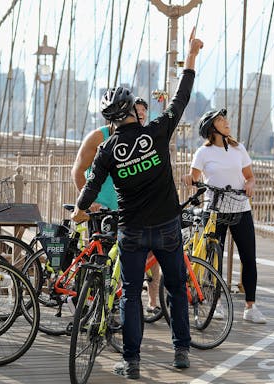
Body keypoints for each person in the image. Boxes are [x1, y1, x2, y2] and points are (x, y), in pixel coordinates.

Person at [71, 28, 203, 379]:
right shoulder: (156, 131)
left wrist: (79, 212)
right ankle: (181, 351)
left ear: (110, 119)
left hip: (131, 231)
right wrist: (190, 55)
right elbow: (181, 98)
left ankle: (131, 361)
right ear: (132, 110)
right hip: (167, 227)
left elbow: (89, 188)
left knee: (130, 294)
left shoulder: (107, 149)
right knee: (176, 287)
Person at [70, 96, 162, 315]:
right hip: (102, 210)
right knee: (101, 260)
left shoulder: (143, 137)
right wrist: (89, 204)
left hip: (131, 211)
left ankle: (151, 301)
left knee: (146, 256)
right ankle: (93, 306)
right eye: (135, 112)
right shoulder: (98, 137)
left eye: (142, 113)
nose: (138, 116)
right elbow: (77, 171)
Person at [182, 108, 266, 324]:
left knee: (249, 257)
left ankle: (251, 306)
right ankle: (215, 303)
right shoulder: (203, 152)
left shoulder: (239, 149)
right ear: (212, 128)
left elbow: (250, 177)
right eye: (221, 120)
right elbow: (194, 176)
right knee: (213, 257)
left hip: (240, 208)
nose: (226, 122)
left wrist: (250, 184)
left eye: (225, 118)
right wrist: (189, 178)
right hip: (215, 209)